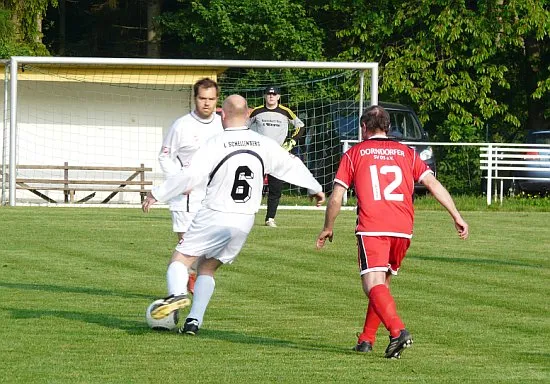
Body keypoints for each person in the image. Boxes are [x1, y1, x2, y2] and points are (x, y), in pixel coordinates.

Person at [143, 94, 325, 335]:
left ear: (223, 115)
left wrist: (158, 193)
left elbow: (189, 175)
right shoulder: (263, 144)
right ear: (249, 114)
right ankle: (194, 321)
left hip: (215, 213)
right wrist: (315, 187)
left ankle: (176, 296)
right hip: (244, 220)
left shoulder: (216, 143)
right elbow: (291, 164)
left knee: (180, 260)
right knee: (207, 267)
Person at [316, 105, 468, 358]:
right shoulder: (407, 152)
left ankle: (398, 332)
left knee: (372, 284)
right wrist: (456, 215)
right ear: (388, 127)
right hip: (403, 228)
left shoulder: (355, 153)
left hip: (373, 226)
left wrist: (328, 227)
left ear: (364, 128)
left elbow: (336, 197)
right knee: (382, 284)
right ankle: (366, 339)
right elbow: (432, 183)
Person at [158, 78, 223, 295]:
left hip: (214, 196)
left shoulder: (223, 124)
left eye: (211, 99)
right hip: (186, 198)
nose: (206, 103)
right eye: (202, 98)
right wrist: (178, 181)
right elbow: (165, 156)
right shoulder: (182, 125)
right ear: (195, 98)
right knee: (187, 247)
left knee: (207, 249)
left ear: (217, 100)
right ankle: (179, 291)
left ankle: (189, 281)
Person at [248, 86, 305, 228]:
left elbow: (300, 126)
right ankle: (248, 215)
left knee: (276, 188)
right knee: (253, 185)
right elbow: (244, 126)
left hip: (278, 155)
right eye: (269, 94)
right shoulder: (257, 111)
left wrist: (291, 141)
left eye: (274, 94)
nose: (271, 96)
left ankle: (270, 218)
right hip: (259, 154)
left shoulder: (286, 112)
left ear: (279, 97)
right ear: (265, 95)